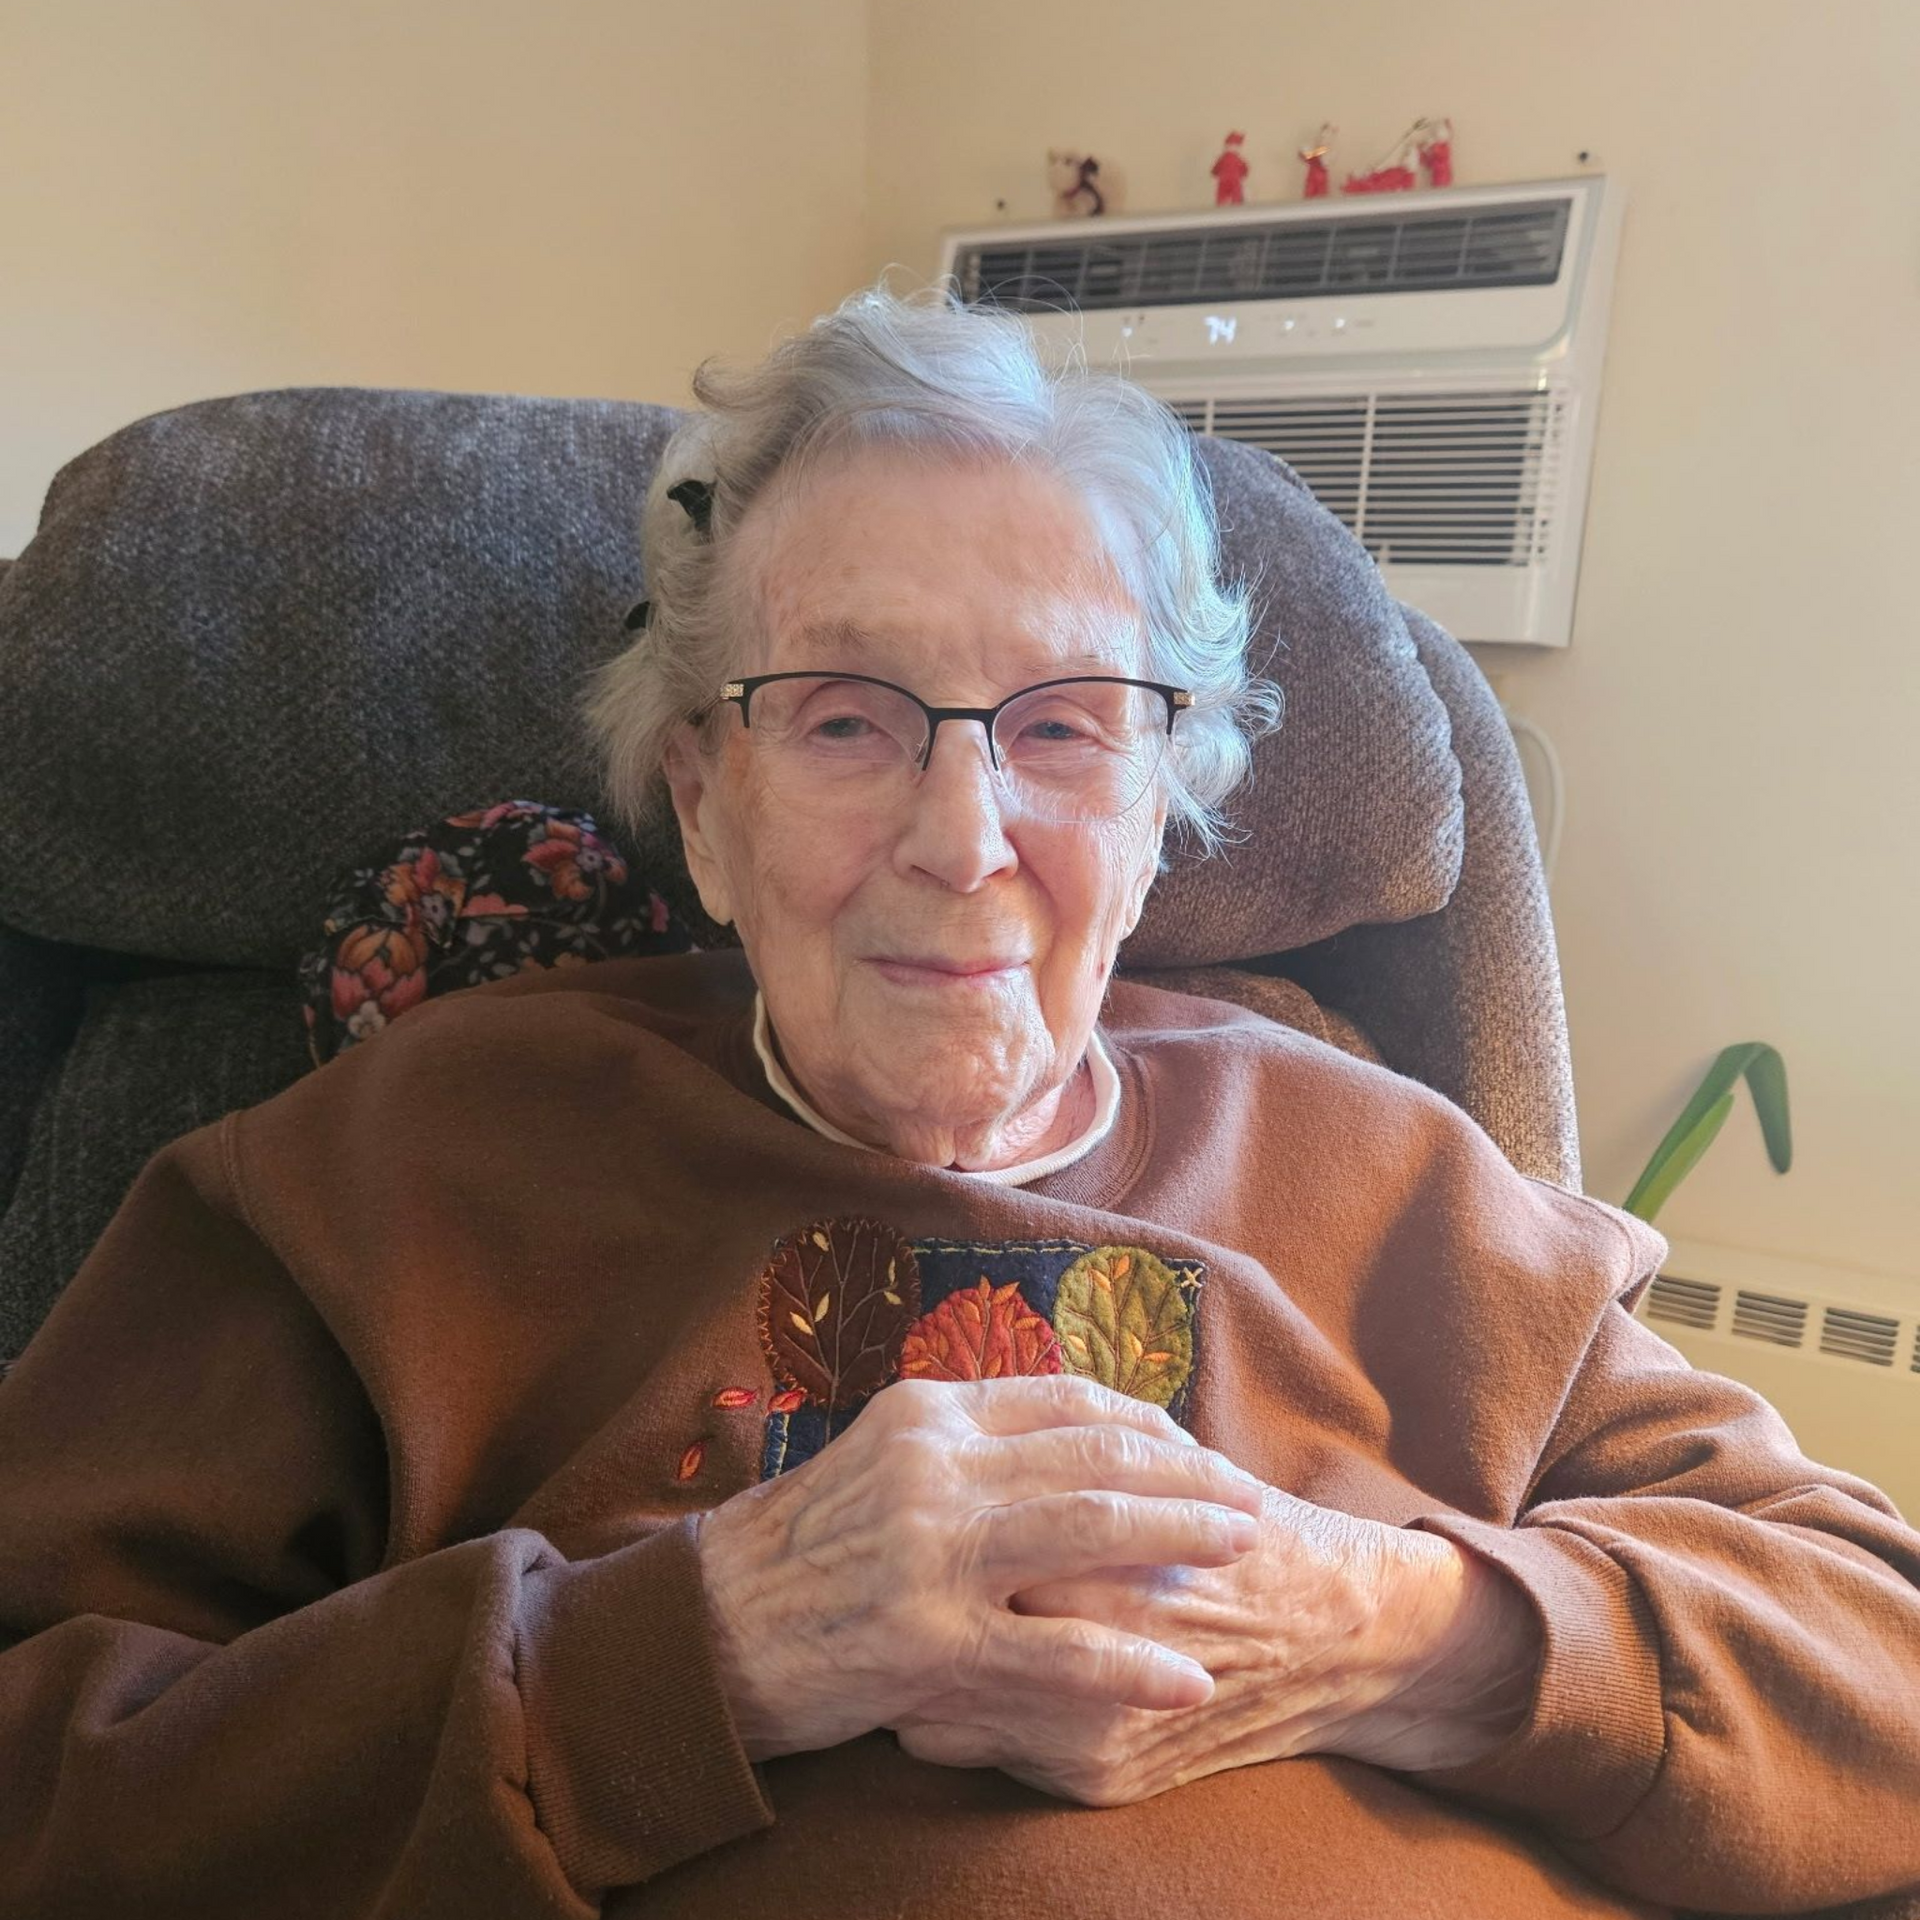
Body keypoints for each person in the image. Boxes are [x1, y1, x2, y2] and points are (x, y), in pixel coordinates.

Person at [0, 283, 1916, 1920]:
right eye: (843, 717)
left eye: (1068, 727)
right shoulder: (392, 1170)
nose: (963, 840)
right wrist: (700, 1655)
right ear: (702, 801)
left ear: (1163, 810)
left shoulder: (1389, 1166)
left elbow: (1880, 1667)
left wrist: (1389, 1631)